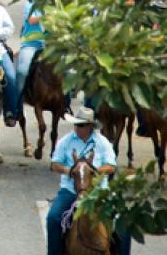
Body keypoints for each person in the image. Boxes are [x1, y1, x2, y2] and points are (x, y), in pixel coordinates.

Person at [47, 107, 130, 255]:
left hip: (98, 192)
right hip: (70, 191)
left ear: (90, 126)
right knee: (53, 218)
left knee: (124, 221)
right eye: (76, 124)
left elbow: (111, 166)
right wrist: (70, 171)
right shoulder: (66, 141)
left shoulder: (102, 142)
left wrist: (94, 172)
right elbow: (55, 164)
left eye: (81, 125)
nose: (77, 128)